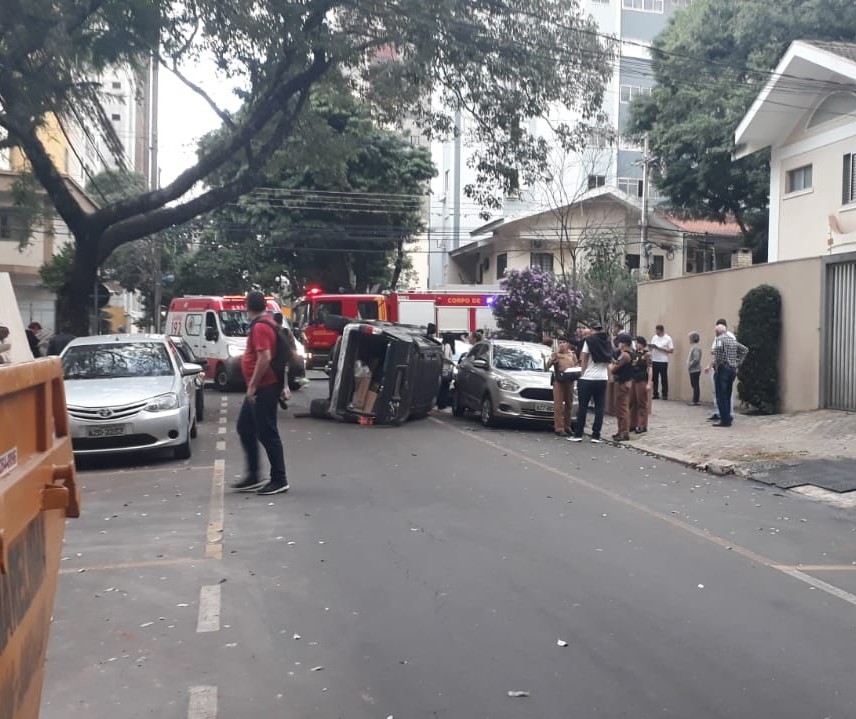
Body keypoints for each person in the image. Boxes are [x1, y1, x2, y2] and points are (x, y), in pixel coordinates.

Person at [231, 291, 289, 495]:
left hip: (264, 387)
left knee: (267, 432)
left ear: (247, 307)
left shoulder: (261, 327)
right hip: (263, 386)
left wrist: (253, 385)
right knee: (245, 427)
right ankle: (253, 475)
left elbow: (265, 357)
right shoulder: (268, 322)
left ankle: (279, 479)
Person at [568, 324, 613, 443]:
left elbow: (585, 358)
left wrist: (582, 374)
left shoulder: (589, 341)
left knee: (583, 406)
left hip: (588, 377)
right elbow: (609, 361)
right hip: (602, 378)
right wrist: (609, 376)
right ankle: (596, 435)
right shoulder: (607, 342)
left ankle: (578, 434)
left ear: (593, 330)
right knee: (599, 407)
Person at [711, 323, 748, 427]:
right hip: (732, 369)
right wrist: (737, 362)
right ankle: (728, 417)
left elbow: (717, 355)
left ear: (717, 332)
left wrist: (716, 366)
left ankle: (725, 420)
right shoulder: (731, 340)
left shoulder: (719, 340)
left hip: (723, 369)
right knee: (727, 394)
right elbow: (745, 350)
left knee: (721, 395)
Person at [704, 318, 735, 421]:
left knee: (723, 393)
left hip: (723, 368)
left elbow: (718, 353)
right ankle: (720, 412)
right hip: (726, 367)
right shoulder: (722, 337)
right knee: (719, 392)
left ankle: (726, 414)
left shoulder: (726, 338)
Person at [549, 337, 579, 437]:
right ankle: (559, 427)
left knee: (569, 404)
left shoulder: (572, 354)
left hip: (569, 381)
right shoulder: (556, 354)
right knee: (558, 405)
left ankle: (567, 426)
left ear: (568, 344)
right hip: (558, 381)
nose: (561, 345)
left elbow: (576, 366)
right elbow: (547, 366)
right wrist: (552, 361)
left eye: (564, 342)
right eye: (560, 343)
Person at [609, 333, 634, 441]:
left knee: (622, 409)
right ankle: (620, 431)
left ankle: (624, 432)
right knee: (620, 408)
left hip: (623, 383)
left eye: (619, 342)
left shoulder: (625, 355)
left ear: (624, 343)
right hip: (624, 382)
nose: (618, 344)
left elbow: (614, 368)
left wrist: (610, 364)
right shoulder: (628, 354)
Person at [629, 336, 652, 434]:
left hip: (642, 379)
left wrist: (649, 382)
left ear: (642, 344)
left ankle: (642, 425)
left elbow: (650, 368)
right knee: (632, 402)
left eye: (638, 343)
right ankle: (632, 423)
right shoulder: (633, 354)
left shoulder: (646, 354)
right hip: (633, 379)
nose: (636, 344)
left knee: (641, 403)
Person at [649, 324, 674, 400]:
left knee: (663, 378)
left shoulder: (668, 338)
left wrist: (660, 348)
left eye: (658, 331)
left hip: (663, 360)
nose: (656, 332)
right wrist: (651, 347)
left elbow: (671, 350)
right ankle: (655, 393)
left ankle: (665, 394)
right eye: (656, 331)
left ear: (662, 331)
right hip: (654, 359)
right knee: (654, 378)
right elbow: (651, 348)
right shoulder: (654, 337)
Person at [687, 332, 702, 406]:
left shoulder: (695, 347)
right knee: (695, 385)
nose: (689, 340)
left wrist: (690, 364)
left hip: (694, 369)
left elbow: (696, 359)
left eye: (690, 338)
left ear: (693, 339)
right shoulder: (695, 346)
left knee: (695, 385)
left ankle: (695, 400)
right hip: (695, 369)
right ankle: (696, 400)